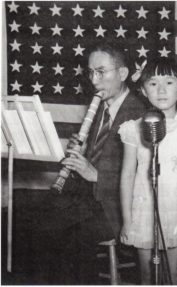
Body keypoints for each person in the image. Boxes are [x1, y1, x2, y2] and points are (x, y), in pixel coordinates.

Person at [31, 40, 147, 284]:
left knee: (74, 237)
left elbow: (144, 175)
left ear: (123, 74)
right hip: (87, 197)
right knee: (39, 221)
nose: (94, 80)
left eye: (101, 72)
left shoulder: (139, 112)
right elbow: (99, 153)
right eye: (91, 72)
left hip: (118, 206)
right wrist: (82, 149)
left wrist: (95, 175)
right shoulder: (100, 108)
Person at [118, 58, 177, 284]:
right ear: (142, 90)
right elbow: (127, 176)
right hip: (144, 211)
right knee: (146, 276)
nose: (161, 90)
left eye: (169, 83)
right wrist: (128, 220)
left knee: (174, 275)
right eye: (152, 84)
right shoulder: (133, 129)